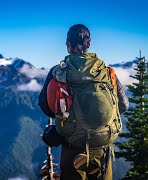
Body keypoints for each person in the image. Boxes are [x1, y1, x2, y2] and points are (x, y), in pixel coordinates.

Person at [38, 24, 129, 180]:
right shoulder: (106, 72)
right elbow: (123, 105)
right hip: (102, 147)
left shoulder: (59, 72)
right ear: (89, 44)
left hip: (73, 146)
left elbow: (46, 107)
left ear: (67, 44)